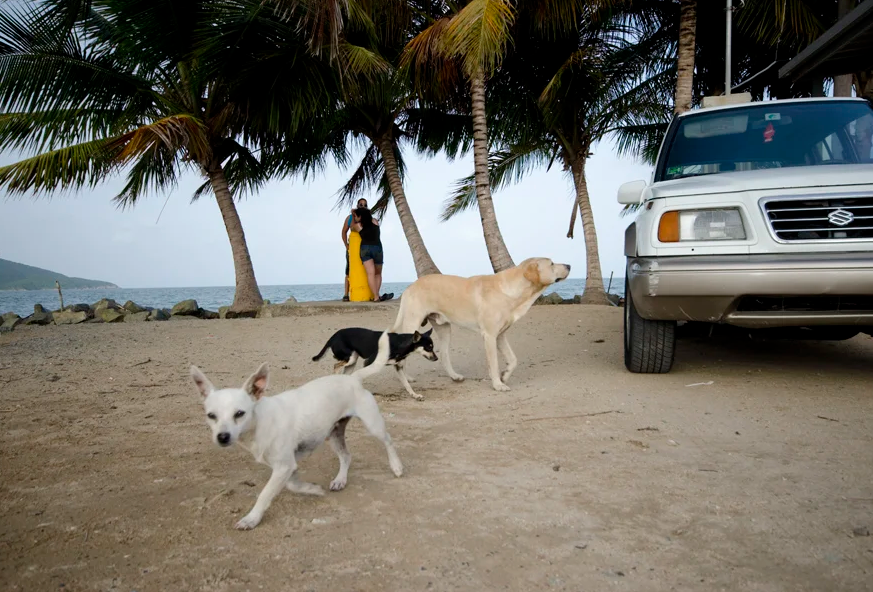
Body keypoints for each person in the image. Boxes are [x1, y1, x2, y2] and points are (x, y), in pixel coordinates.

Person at [351, 207, 392, 302]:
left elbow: (351, 227)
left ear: (360, 216)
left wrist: (353, 216)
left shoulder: (358, 226)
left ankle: (376, 296)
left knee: (370, 274)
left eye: (356, 216)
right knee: (378, 274)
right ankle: (377, 295)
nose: (355, 217)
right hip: (377, 248)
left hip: (365, 248)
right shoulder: (375, 221)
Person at [342, 198, 370, 301]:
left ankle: (370, 293)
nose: (362, 207)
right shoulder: (349, 218)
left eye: (365, 205)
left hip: (364, 248)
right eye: (361, 205)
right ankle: (346, 294)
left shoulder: (367, 219)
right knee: (348, 271)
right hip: (352, 250)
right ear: (357, 205)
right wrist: (346, 245)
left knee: (368, 270)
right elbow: (344, 232)